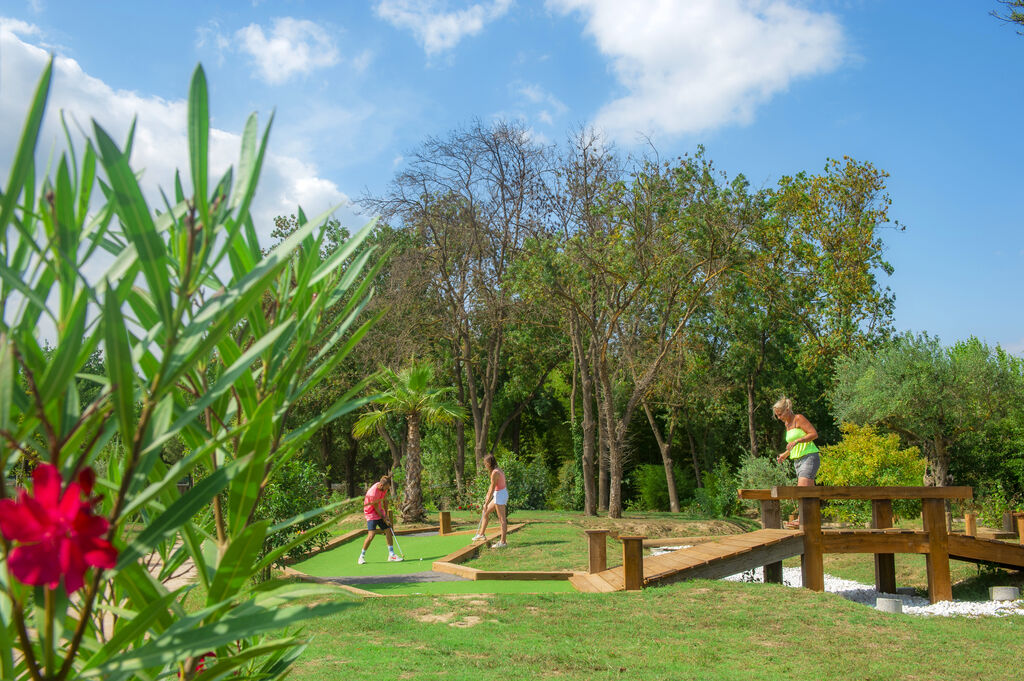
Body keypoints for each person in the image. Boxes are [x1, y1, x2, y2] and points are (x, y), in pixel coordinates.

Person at [773, 397, 820, 487]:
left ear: (787, 410)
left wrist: (797, 440)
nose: (779, 418)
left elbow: (814, 434)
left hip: (809, 457)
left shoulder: (798, 418)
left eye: (780, 414)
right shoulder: (787, 424)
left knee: (802, 490)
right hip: (797, 461)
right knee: (809, 494)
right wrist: (786, 454)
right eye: (777, 416)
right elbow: (794, 445)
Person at [358, 474, 403, 564]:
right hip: (370, 513)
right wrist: (384, 518)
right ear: (381, 485)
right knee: (372, 535)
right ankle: (361, 557)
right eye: (386, 488)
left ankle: (391, 555)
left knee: (388, 530)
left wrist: (386, 515)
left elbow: (385, 501)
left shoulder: (383, 487)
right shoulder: (373, 493)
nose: (387, 490)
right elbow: (376, 508)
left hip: (379, 511)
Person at [472, 455, 508, 547]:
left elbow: (492, 488)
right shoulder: (497, 470)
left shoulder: (495, 472)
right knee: (485, 512)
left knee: (502, 519)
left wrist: (486, 502)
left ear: (489, 463)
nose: (485, 465)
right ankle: (481, 534)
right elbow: (492, 487)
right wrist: (487, 497)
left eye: (485, 464)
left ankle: (503, 542)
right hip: (499, 494)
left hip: (500, 495)